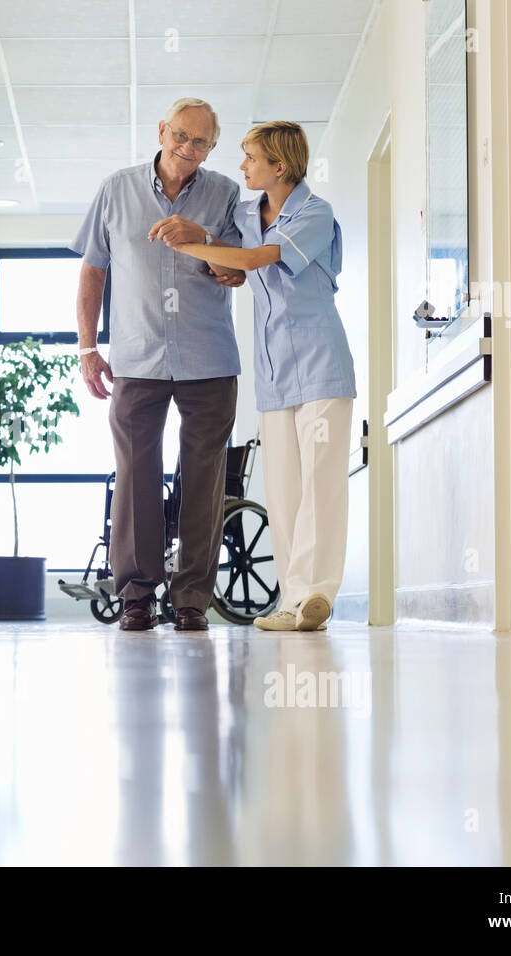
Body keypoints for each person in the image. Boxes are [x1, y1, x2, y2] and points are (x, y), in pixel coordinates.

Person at [161, 121, 356, 632]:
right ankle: (291, 602)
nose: (242, 166)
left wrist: (191, 244)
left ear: (280, 166)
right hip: (273, 373)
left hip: (321, 366)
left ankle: (317, 594)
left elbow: (251, 258)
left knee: (322, 484)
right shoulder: (249, 213)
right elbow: (233, 260)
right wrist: (209, 246)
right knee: (285, 489)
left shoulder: (314, 213)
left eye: (250, 158)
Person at [70, 97, 246, 633]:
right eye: (180, 136)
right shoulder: (116, 190)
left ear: (212, 147)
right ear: (162, 131)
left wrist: (204, 240)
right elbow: (93, 272)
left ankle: (192, 599)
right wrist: (86, 348)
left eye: (201, 142)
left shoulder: (225, 193)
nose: (187, 149)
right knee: (135, 477)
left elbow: (237, 273)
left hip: (209, 359)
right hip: (136, 359)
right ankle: (137, 596)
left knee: (203, 480)